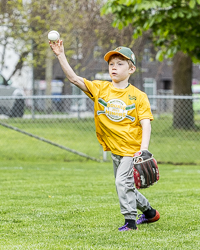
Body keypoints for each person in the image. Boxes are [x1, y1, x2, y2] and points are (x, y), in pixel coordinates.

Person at [49, 40, 160, 231]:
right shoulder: (101, 88)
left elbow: (145, 123)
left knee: (120, 183)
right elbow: (75, 79)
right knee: (127, 186)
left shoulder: (138, 96)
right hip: (114, 149)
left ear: (131, 69)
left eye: (120, 63)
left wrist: (143, 149)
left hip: (131, 151)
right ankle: (150, 213)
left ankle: (130, 222)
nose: (114, 67)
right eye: (111, 64)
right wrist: (60, 54)